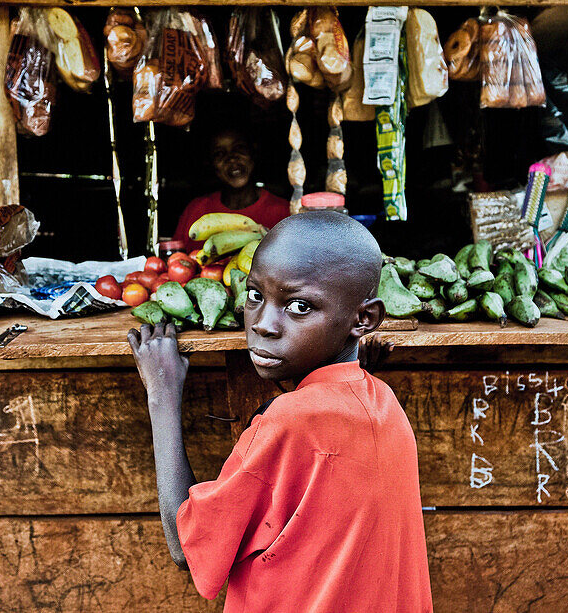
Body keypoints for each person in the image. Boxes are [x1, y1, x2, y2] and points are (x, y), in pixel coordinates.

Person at [128, 211, 432, 612]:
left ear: (364, 319)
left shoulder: (290, 422)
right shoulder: (384, 403)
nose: (264, 324)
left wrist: (163, 394)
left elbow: (186, 547)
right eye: (255, 296)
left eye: (300, 306)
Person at [173, 124, 289, 249]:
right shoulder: (196, 210)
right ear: (210, 163)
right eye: (219, 153)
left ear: (253, 152)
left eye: (239, 148)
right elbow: (177, 259)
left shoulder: (283, 211)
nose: (232, 158)